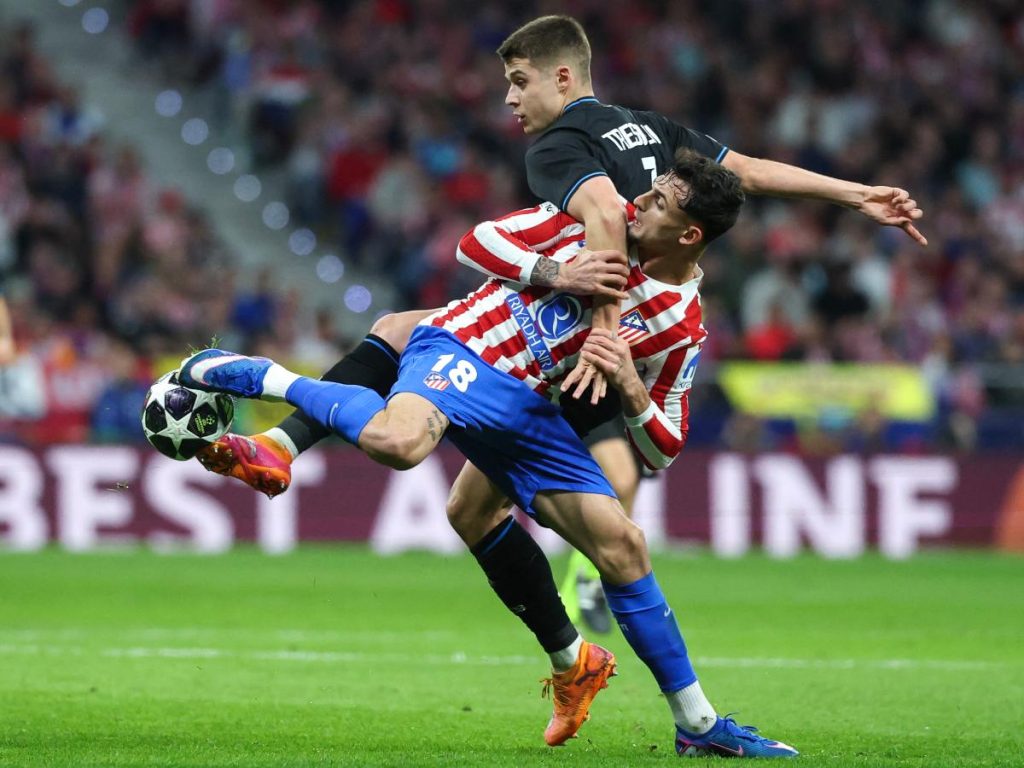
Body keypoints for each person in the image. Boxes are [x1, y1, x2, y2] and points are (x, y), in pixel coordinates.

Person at [195, 14, 927, 636]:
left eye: (520, 82)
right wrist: (854, 193)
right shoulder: (650, 127)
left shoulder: (556, 145)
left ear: (565, 80)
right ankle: (286, 447)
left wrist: (601, 317)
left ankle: (588, 585)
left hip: (583, 341)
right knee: (448, 451)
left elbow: (607, 214)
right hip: (584, 337)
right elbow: (747, 171)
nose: (510, 100)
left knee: (570, 466)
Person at [178, 150, 797, 757]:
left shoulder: (680, 326)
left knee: (612, 543)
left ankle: (685, 717)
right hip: (467, 348)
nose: (639, 201)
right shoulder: (588, 219)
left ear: (690, 234)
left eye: (658, 201)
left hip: (530, 412)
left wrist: (632, 387)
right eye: (648, 190)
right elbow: (474, 244)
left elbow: (663, 450)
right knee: (401, 442)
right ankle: (262, 377)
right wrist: (558, 274)